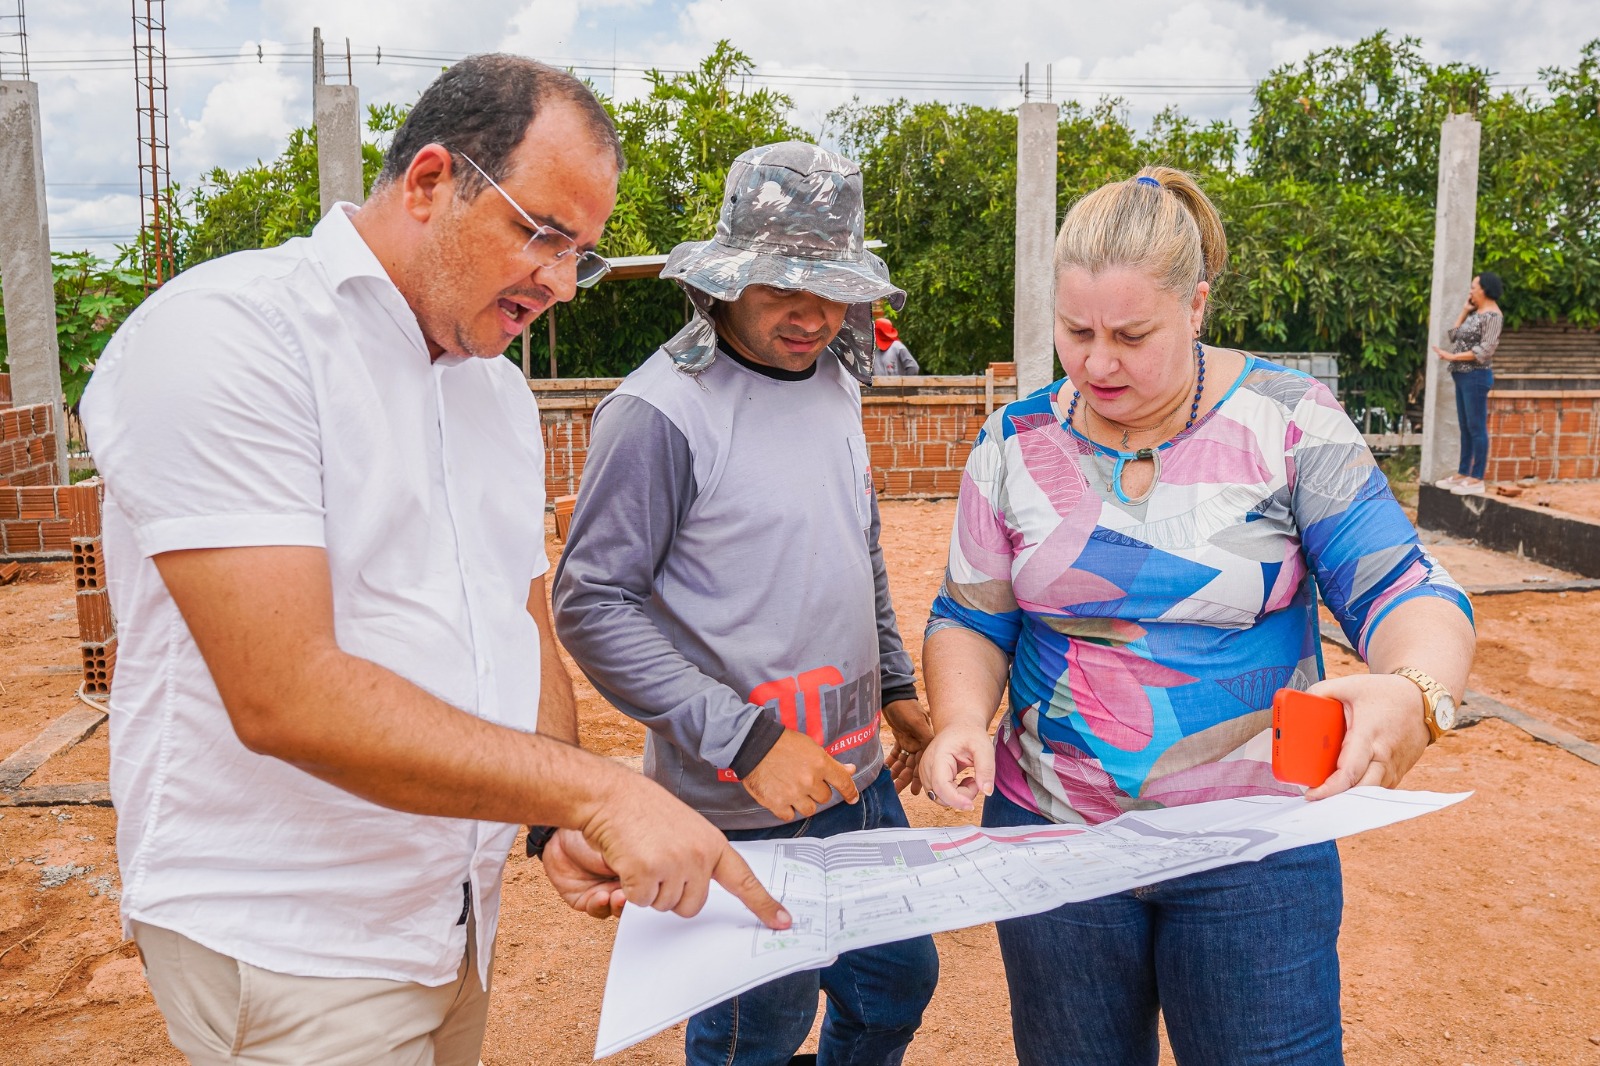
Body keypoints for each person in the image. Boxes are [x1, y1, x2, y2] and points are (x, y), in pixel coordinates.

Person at [79, 55, 786, 1066]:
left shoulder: (490, 391)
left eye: (579, 253)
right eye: (542, 233)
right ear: (428, 182)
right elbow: (287, 692)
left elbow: (519, 615)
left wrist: (548, 822)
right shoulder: (230, 337)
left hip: (448, 923)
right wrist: (597, 793)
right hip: (290, 940)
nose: (559, 281)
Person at [918, 166, 1475, 1065]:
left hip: (1254, 850)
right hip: (1054, 839)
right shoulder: (1013, 443)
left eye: (1132, 334)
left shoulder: (1290, 423)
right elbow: (971, 616)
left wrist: (1416, 689)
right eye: (1075, 331)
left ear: (1196, 307)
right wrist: (956, 721)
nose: (1098, 362)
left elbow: (1403, 586)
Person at [553, 141, 939, 1066]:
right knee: (752, 1033)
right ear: (724, 283)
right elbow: (591, 603)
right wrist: (749, 742)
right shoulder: (660, 414)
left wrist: (894, 689)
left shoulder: (838, 382)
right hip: (737, 803)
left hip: (858, 780)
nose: (812, 315)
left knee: (895, 983)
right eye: (781, 290)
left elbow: (859, 546)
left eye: (831, 288)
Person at [1432, 271, 1504, 496]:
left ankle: (1477, 478)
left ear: (1484, 289)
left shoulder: (1492, 316)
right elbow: (1454, 336)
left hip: (1476, 376)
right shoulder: (1476, 313)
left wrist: (1453, 357)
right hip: (1462, 376)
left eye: (1474, 286)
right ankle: (1463, 472)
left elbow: (1485, 351)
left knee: (1476, 427)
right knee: (1465, 427)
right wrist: (1464, 310)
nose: (1471, 290)